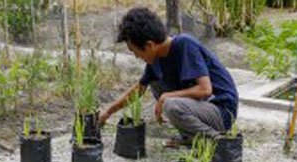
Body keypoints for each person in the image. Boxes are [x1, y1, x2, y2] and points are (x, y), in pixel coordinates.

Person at [98, 7, 239, 147]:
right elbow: (138, 90)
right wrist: (107, 112)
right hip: (203, 108)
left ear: (149, 45)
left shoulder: (185, 44)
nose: (136, 57)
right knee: (155, 84)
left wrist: (167, 96)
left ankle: (218, 141)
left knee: (170, 103)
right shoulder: (156, 59)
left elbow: (205, 90)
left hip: (221, 110)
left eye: (135, 52)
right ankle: (192, 137)